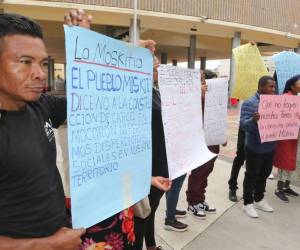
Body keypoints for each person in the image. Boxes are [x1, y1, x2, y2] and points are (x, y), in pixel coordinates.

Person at [0, 12, 85, 249]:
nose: (40, 73)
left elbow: (89, 98)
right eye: (25, 61)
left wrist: (132, 57)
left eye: (44, 63)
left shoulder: (40, 105)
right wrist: (45, 245)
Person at [134, 57, 171, 250]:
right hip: (149, 164)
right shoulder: (135, 95)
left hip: (163, 159)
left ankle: (151, 244)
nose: (158, 69)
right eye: (155, 66)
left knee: (152, 207)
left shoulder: (155, 92)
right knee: (142, 212)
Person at [186, 70, 226, 219]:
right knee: (199, 172)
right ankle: (193, 202)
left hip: (213, 140)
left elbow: (220, 116)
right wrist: (198, 96)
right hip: (199, 141)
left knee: (207, 171)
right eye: (201, 80)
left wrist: (222, 135)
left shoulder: (214, 97)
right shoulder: (193, 97)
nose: (204, 83)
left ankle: (200, 199)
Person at [240, 75, 276, 218]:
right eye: (270, 86)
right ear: (261, 87)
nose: (273, 89)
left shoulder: (276, 102)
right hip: (255, 147)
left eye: (274, 86)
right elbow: (243, 124)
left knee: (265, 174)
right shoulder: (250, 102)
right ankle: (247, 203)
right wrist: (253, 121)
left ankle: (259, 199)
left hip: (270, 146)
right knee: (251, 175)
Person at [273, 75, 300, 202]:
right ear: (292, 86)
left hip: (295, 137)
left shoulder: (298, 98)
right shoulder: (284, 98)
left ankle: (287, 186)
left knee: (292, 161)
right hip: (285, 136)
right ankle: (279, 188)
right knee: (284, 161)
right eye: (299, 83)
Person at [228, 126, 245, 202]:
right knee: (240, 157)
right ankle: (232, 187)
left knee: (254, 159)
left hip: (259, 130)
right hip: (245, 128)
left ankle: (251, 188)